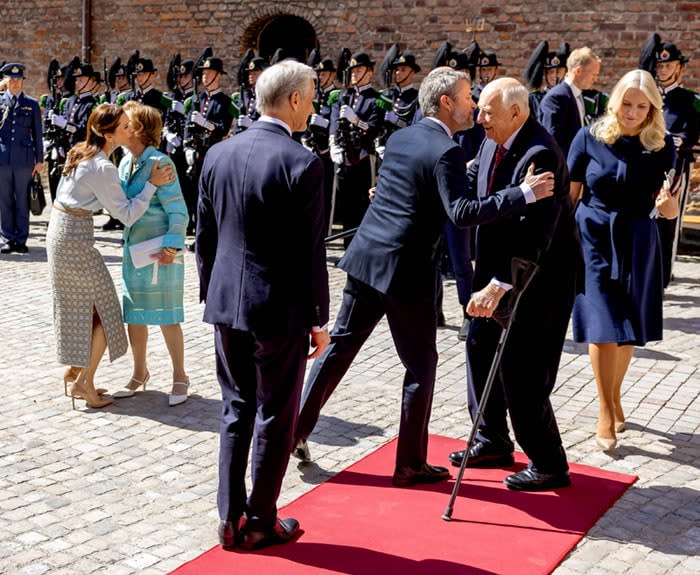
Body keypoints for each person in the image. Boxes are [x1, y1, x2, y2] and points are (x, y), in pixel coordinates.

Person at [293, 68, 557, 489]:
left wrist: (465, 172)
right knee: (421, 366)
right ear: (447, 103)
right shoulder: (446, 151)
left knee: (339, 349)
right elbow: (462, 213)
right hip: (406, 271)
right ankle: (410, 463)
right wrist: (522, 193)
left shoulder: (404, 137)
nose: (474, 106)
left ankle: (294, 432)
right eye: (469, 97)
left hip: (367, 258)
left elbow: (419, 188)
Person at [196, 60, 330, 550]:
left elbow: (204, 240)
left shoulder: (218, 153)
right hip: (279, 308)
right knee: (275, 412)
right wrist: (318, 318)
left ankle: (229, 518)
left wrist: (213, 294)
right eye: (311, 95)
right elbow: (310, 250)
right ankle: (260, 520)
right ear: (293, 100)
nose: (313, 105)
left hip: (228, 304)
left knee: (236, 408)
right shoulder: (302, 162)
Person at [447, 77, 579, 492]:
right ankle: (492, 439)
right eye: (480, 108)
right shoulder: (490, 140)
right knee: (479, 348)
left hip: (538, 279)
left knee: (524, 371)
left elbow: (535, 234)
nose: (479, 117)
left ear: (516, 113)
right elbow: (476, 194)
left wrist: (501, 284)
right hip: (495, 270)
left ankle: (548, 463)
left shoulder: (539, 154)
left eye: (488, 110)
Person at [568, 69, 677, 450]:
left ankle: (615, 398)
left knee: (627, 324)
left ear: (651, 109)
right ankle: (604, 407)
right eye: (626, 104)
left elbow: (670, 205)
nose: (631, 112)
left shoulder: (662, 146)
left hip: (638, 239)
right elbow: (572, 193)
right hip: (593, 236)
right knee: (602, 322)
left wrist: (669, 208)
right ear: (615, 102)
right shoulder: (588, 137)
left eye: (641, 106)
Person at [46, 103, 174, 408]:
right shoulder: (102, 166)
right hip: (75, 240)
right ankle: (83, 382)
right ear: (107, 133)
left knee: (83, 307)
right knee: (107, 312)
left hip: (63, 232)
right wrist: (151, 186)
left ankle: (76, 371)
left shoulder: (82, 150)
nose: (130, 131)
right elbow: (127, 215)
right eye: (124, 128)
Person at [110, 102, 190, 406]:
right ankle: (139, 372)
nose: (121, 125)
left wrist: (171, 247)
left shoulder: (160, 162)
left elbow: (179, 211)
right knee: (135, 316)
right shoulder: (124, 163)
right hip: (134, 251)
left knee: (168, 317)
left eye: (126, 122)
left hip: (160, 253)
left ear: (139, 129)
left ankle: (180, 376)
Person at [329, 51, 385, 247]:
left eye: (359, 70)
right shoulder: (343, 96)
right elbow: (334, 122)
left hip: (363, 157)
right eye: (352, 70)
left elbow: (374, 129)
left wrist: (357, 121)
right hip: (344, 156)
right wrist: (333, 142)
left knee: (363, 203)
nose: (354, 74)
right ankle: (347, 246)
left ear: (369, 73)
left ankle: (363, 246)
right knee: (345, 205)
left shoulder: (375, 99)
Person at [0, 63, 43, 255]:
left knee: (22, 201)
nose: (15, 83)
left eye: (18, 80)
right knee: (5, 201)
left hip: (25, 161)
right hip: (2, 159)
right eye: (12, 80)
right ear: (6, 82)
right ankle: (8, 238)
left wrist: (39, 159)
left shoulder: (31, 104)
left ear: (22, 82)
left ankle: (21, 239)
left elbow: (37, 133)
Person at [538, 46, 601, 155]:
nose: (595, 79)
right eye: (594, 75)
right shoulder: (557, 97)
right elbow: (553, 141)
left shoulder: (577, 94)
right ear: (578, 71)